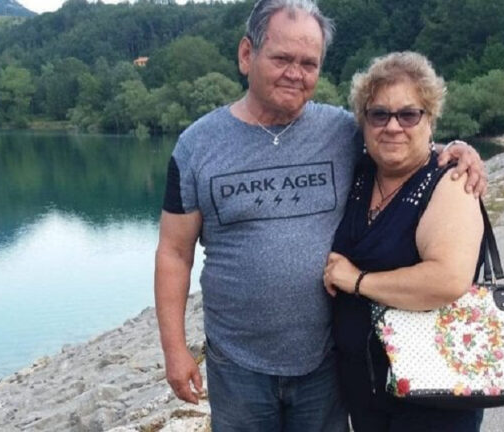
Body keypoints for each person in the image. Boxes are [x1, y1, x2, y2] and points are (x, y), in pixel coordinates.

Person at [154, 1, 486, 431]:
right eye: (282, 58)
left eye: (309, 63)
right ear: (246, 54)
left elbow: (400, 142)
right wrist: (174, 349)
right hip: (236, 365)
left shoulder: (340, 131)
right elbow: (174, 253)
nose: (296, 73)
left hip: (325, 365)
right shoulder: (196, 146)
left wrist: (456, 151)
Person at [323, 52, 485, 431]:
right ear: (364, 122)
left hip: (434, 397)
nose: (393, 126)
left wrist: (357, 281)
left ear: (430, 119)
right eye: (379, 114)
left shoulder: (451, 181)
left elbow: (447, 280)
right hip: (365, 390)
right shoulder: (360, 174)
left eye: (409, 115)